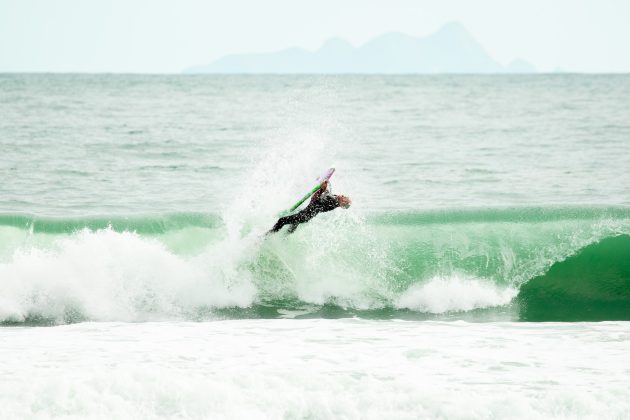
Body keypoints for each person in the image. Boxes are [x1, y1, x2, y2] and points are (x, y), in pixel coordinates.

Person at [268, 181, 351, 234]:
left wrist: (322, 190)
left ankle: (267, 235)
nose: (343, 195)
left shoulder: (332, 203)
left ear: (342, 203)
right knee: (291, 228)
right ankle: (283, 240)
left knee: (282, 220)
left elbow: (315, 200)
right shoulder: (335, 199)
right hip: (306, 214)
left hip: (305, 215)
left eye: (344, 198)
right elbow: (327, 194)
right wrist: (325, 188)